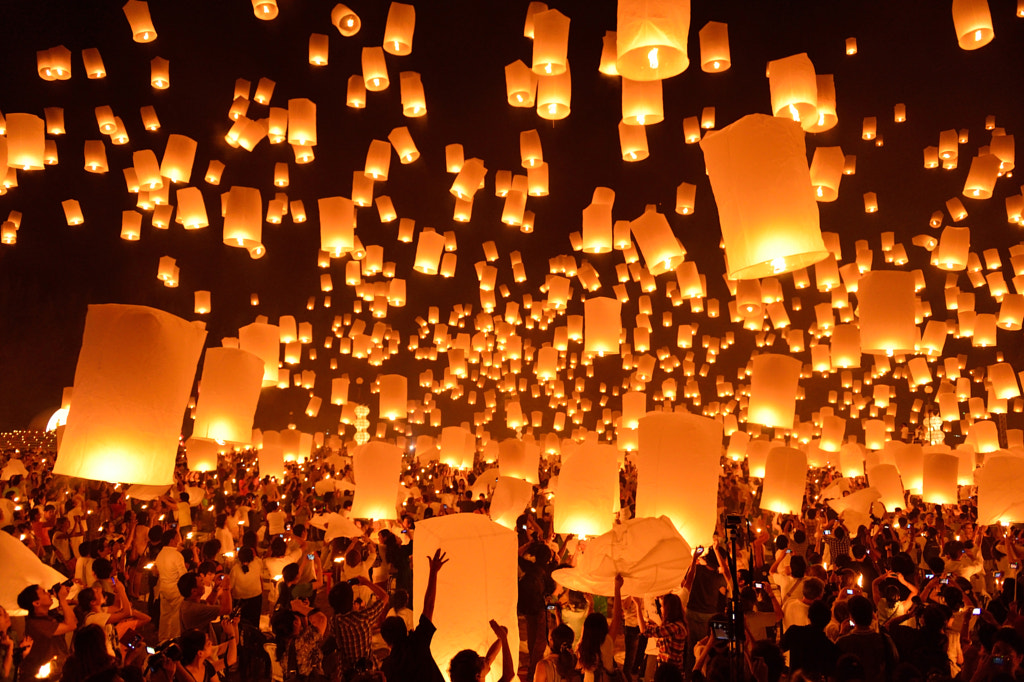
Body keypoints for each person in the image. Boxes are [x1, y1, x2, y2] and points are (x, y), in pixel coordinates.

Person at [379, 549, 448, 682]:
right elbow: (429, 606)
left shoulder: (388, 666)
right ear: (405, 630)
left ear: (386, 642)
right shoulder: (418, 642)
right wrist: (433, 572)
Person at [327, 572, 389, 675]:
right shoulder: (363, 617)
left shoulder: (333, 622)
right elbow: (385, 596)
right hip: (368, 672)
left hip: (347, 674)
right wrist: (367, 582)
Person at [17, 583, 76, 679]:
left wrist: (62, 600)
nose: (48, 594)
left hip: (55, 671)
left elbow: (74, 621)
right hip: (45, 675)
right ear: (36, 603)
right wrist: (62, 599)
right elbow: (71, 625)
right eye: (44, 592)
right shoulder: (35, 624)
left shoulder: (46, 618)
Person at [835, 595, 898, 682]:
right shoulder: (885, 639)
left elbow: (836, 668)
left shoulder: (843, 642)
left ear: (851, 617)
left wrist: (841, 634)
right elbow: (894, 664)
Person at [579, 575, 625, 682]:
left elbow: (586, 627)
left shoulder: (583, 646)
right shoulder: (606, 643)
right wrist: (617, 588)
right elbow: (617, 617)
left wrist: (591, 605)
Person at [635, 593, 687, 674]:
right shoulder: (677, 625)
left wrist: (638, 606)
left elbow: (644, 631)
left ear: (669, 609)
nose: (661, 609)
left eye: (662, 606)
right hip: (671, 671)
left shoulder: (674, 627)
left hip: (669, 673)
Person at [449, 620, 514, 682]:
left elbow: (488, 660)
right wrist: (503, 638)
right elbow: (508, 675)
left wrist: (501, 638)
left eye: (479, 658)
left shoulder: (472, 675)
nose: (483, 658)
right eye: (481, 662)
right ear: (477, 676)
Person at [154, 529, 187, 642]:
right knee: (175, 616)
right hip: (175, 589)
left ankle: (162, 639)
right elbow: (183, 575)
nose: (179, 539)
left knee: (164, 615)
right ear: (172, 540)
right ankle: (174, 639)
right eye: (177, 537)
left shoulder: (160, 554)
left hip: (163, 588)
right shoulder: (177, 555)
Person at [228, 546, 263, 628]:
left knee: (240, 624)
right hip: (256, 598)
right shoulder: (257, 563)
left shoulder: (235, 569)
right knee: (254, 623)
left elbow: (230, 587)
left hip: (240, 601)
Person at [1, 604, 32, 682]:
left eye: (5, 612)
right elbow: (4, 674)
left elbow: (17, 666)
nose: (7, 615)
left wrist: (23, 652)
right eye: (1, 614)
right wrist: (10, 647)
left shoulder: (12, 635)